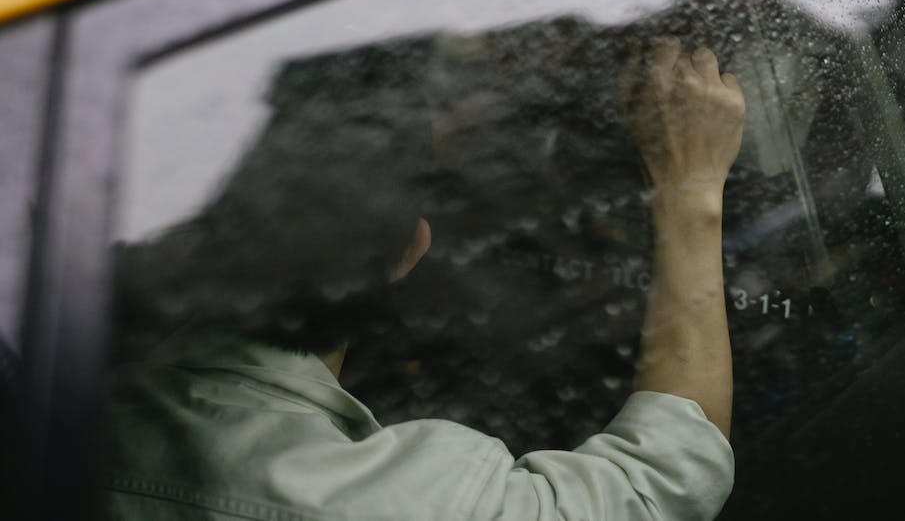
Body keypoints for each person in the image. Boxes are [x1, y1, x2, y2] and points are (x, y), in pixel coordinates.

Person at [105, 36, 743, 521]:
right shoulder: (396, 499)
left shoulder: (59, 388)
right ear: (414, 248)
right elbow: (661, 479)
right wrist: (689, 188)